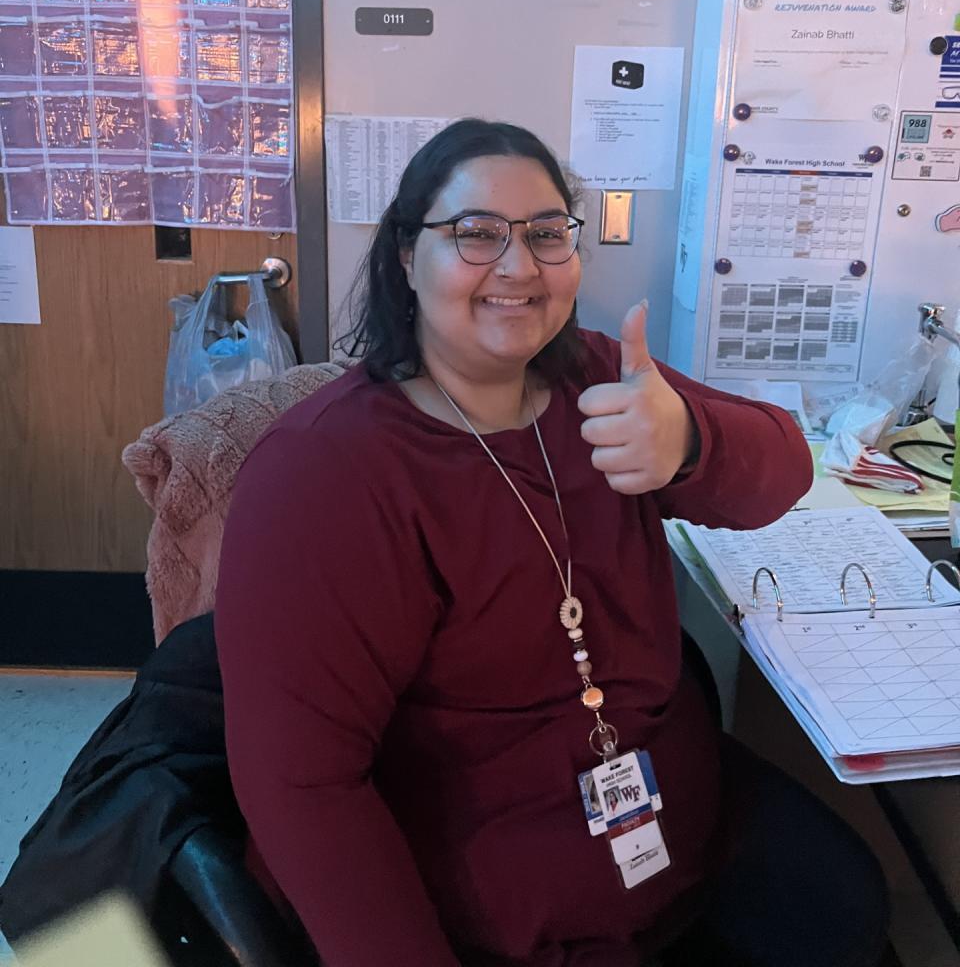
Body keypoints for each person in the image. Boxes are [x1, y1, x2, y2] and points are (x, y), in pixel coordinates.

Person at [215, 119, 889, 967]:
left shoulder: (601, 384)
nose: (519, 266)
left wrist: (688, 438)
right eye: (476, 233)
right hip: (501, 911)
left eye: (544, 232)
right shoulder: (324, 473)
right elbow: (301, 788)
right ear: (406, 258)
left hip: (682, 827)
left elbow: (784, 472)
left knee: (850, 907)